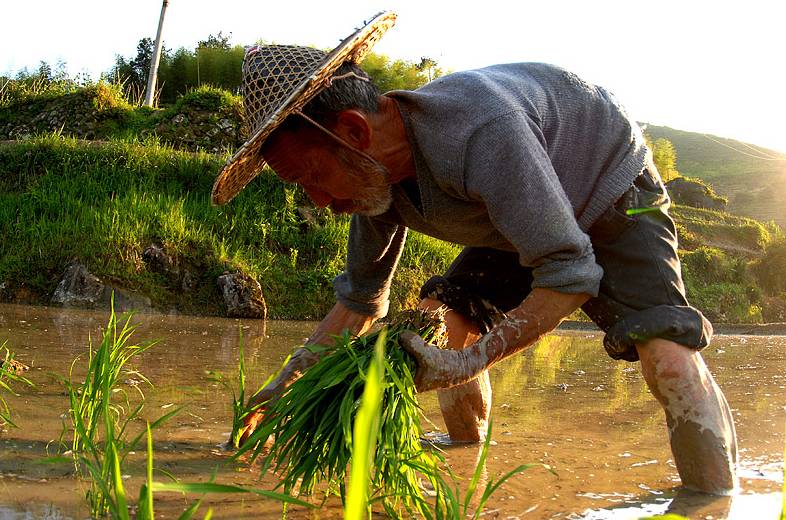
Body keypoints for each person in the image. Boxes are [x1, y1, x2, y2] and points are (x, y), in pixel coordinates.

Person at [211, 12, 738, 495]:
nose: (319, 202)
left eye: (313, 177)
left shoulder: (480, 132)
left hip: (609, 185)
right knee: (445, 323)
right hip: (521, 210)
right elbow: (360, 301)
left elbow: (570, 274)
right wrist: (285, 382)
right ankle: (469, 465)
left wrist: (467, 363)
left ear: (354, 131)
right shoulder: (371, 179)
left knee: (666, 354)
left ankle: (713, 498)